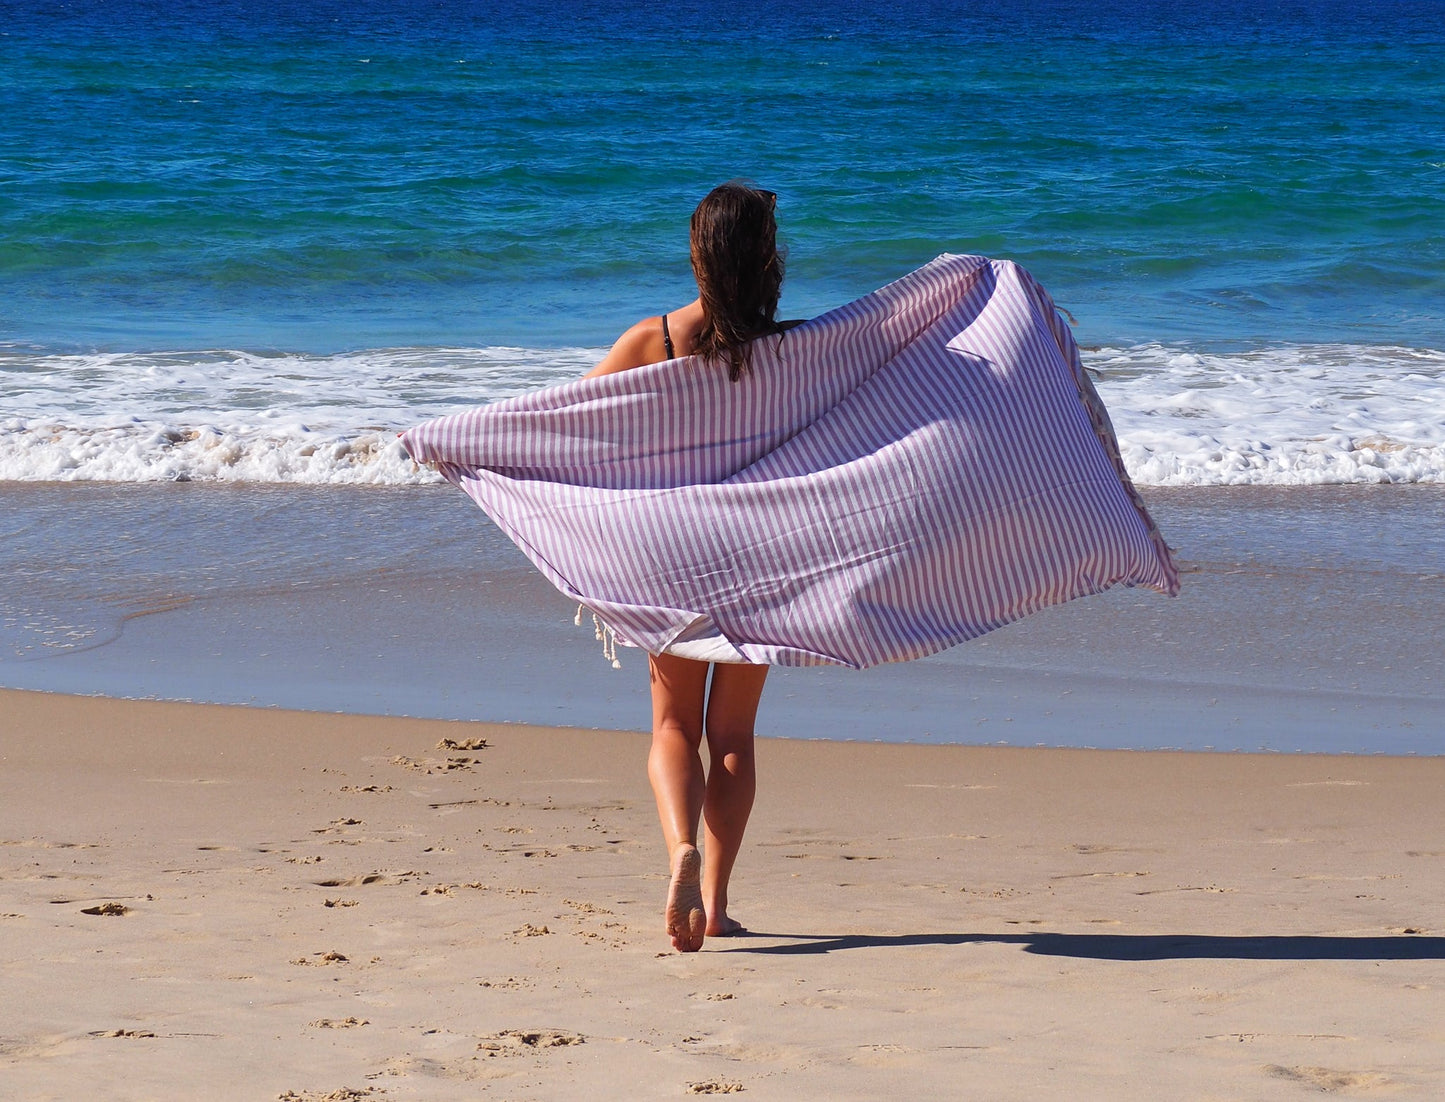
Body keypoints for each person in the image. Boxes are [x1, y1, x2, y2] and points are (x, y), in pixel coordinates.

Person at [584, 182, 785, 952]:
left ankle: (679, 852)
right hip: (760, 560)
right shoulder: (794, 349)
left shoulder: (651, 342)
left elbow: (559, 429)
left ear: (697, 253)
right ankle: (717, 899)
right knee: (732, 734)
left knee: (672, 724)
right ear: (767, 258)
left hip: (670, 556)